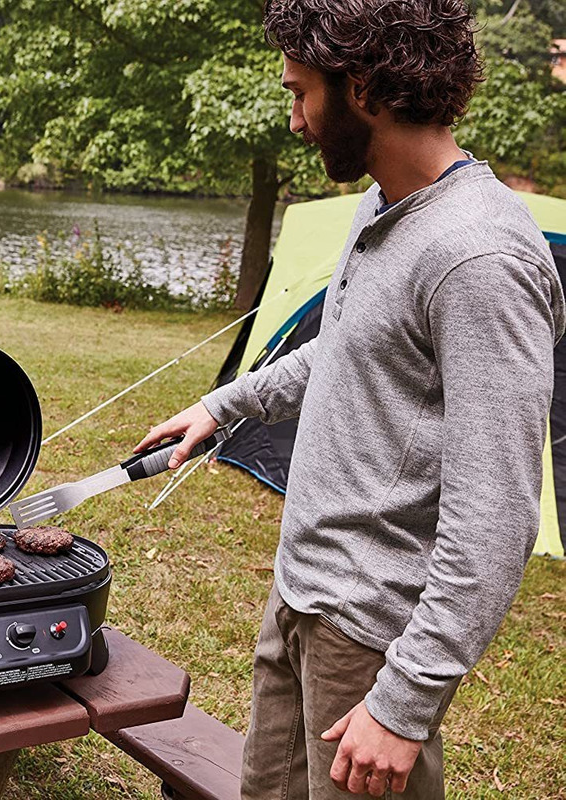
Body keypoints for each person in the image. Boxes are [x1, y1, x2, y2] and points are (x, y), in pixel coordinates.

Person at [135, 2, 564, 798]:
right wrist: (226, 406)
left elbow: (497, 515)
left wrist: (405, 703)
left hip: (371, 637)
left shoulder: (477, 257)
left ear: (362, 87)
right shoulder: (383, 206)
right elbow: (346, 348)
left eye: (301, 93)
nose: (295, 121)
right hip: (302, 594)